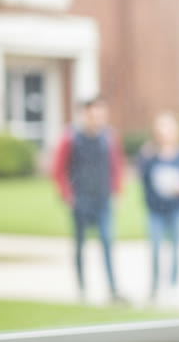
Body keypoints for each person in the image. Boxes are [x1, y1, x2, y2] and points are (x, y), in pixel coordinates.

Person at [50, 96, 124, 302]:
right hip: (81, 198)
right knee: (80, 245)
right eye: (94, 114)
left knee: (107, 242)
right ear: (86, 114)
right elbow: (58, 168)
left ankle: (112, 288)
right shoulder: (71, 136)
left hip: (103, 199)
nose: (98, 118)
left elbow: (116, 165)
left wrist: (117, 190)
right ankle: (82, 289)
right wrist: (67, 194)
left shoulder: (109, 137)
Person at [137, 112, 179, 299]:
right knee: (155, 248)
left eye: (168, 128)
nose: (164, 133)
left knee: (176, 248)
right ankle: (155, 286)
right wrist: (145, 156)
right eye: (161, 129)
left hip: (178, 209)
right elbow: (142, 178)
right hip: (155, 211)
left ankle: (173, 285)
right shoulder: (149, 154)